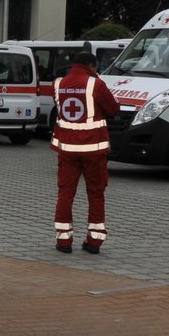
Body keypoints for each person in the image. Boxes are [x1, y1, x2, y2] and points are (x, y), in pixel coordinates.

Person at [52, 49, 120, 253]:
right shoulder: (96, 84)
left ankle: (63, 242)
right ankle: (94, 242)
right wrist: (96, 78)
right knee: (96, 194)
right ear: (92, 66)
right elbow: (112, 109)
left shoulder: (58, 84)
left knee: (65, 194)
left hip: (67, 149)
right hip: (94, 150)